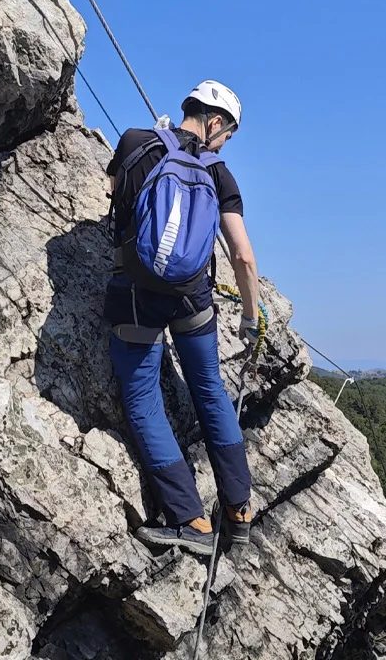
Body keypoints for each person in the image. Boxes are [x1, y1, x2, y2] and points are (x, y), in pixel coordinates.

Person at [104, 81, 263, 555]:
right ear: (216, 123)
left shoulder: (137, 142)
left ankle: (191, 520)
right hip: (193, 300)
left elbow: (112, 195)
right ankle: (238, 510)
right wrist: (251, 318)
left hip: (136, 294)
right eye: (227, 134)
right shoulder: (220, 175)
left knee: (143, 399)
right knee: (210, 389)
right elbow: (243, 257)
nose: (224, 142)